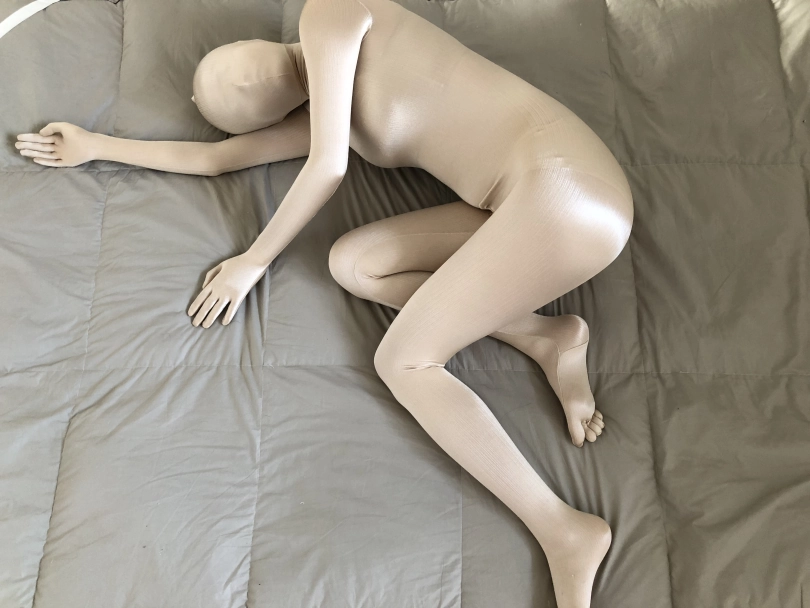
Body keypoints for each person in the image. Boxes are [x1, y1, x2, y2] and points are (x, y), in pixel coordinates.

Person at [15, 0, 633, 605]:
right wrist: (98, 146)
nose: (241, 78)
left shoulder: (332, 12)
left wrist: (253, 261)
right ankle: (543, 335)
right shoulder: (326, 116)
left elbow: (328, 167)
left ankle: (563, 530)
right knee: (354, 264)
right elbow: (215, 159)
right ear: (259, 116)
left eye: (227, 64)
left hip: (566, 186)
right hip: (519, 211)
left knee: (404, 362)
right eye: (232, 97)